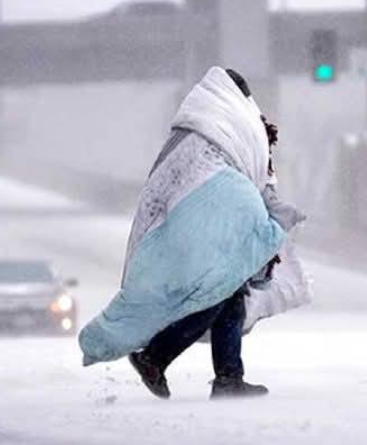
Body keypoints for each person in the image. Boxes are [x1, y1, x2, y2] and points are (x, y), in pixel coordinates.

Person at [78, 67, 302, 400]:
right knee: (216, 293)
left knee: (229, 296)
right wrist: (267, 215)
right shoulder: (227, 128)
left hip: (192, 227)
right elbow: (242, 177)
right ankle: (155, 357)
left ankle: (228, 377)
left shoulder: (195, 131)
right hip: (205, 228)